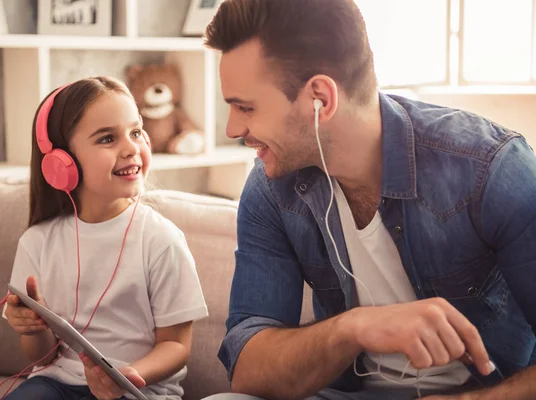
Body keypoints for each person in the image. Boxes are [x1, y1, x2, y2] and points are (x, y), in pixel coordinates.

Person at [201, 1, 536, 399]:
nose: (233, 128)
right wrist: (355, 327)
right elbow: (247, 369)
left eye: (245, 107)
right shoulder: (272, 188)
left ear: (320, 99)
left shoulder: (490, 169)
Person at [1, 76, 208, 400]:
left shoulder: (161, 240)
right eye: (108, 138)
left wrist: (130, 376)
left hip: (136, 388)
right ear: (61, 162)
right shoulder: (36, 242)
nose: (131, 148)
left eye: (136, 132)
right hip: (58, 381)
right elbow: (40, 357)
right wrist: (33, 327)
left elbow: (176, 345)